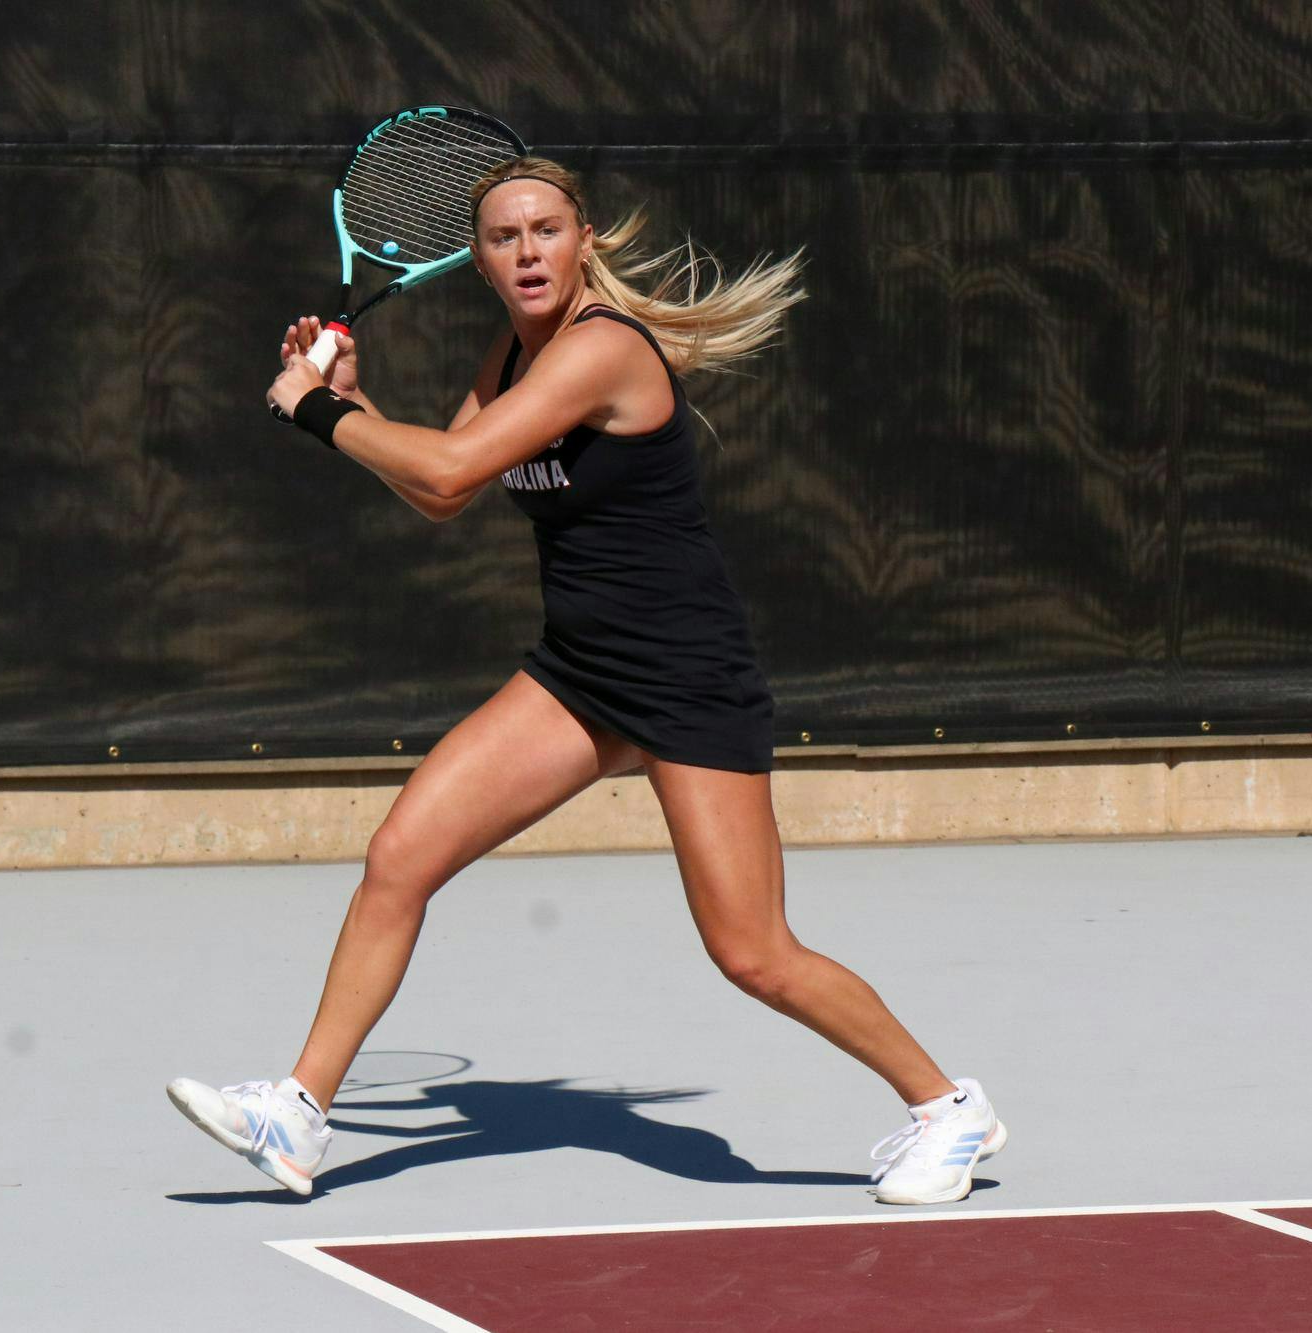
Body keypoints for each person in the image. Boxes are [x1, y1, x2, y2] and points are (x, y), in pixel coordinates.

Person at [168, 157, 1003, 1206]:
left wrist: (310, 411)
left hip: (686, 679)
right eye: (504, 237)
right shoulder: (513, 356)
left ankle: (945, 1106)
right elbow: (442, 486)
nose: (526, 251)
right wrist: (352, 400)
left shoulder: (600, 350)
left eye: (545, 231)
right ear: (475, 259)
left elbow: (446, 471)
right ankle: (294, 1113)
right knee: (401, 856)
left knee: (751, 951)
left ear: (584, 241)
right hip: (577, 674)